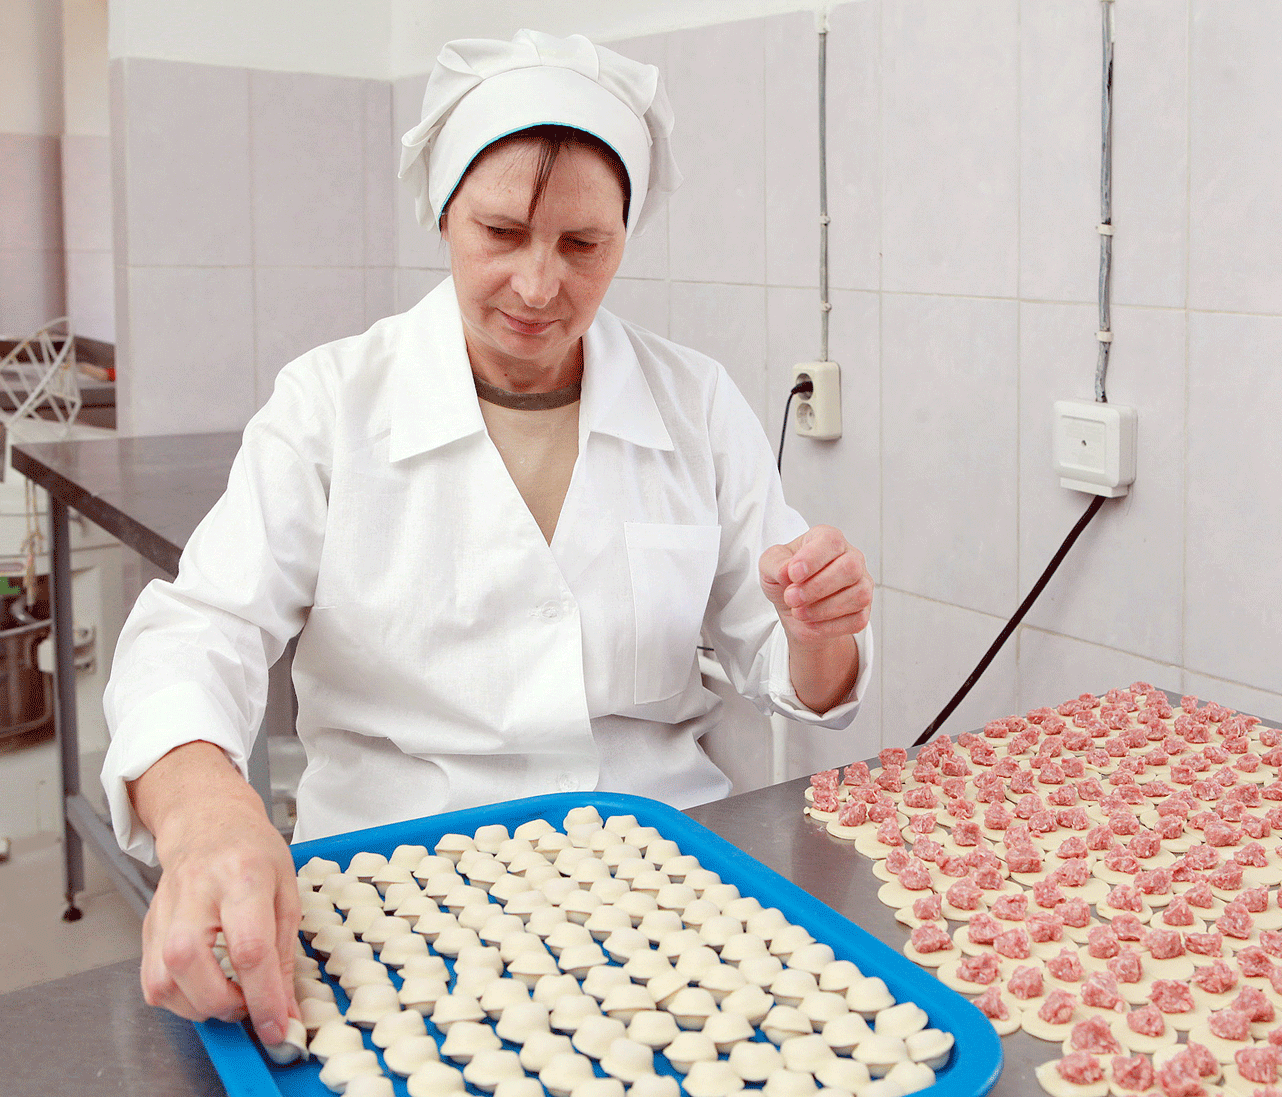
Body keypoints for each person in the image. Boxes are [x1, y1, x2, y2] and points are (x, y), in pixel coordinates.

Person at [99, 31, 874, 1047]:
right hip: (389, 895)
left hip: (661, 887)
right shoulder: (333, 402)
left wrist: (820, 629)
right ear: (443, 213)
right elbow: (202, 627)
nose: (539, 285)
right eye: (501, 231)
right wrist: (205, 808)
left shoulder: (695, 403)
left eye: (583, 245)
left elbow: (792, 669)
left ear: (626, 237)